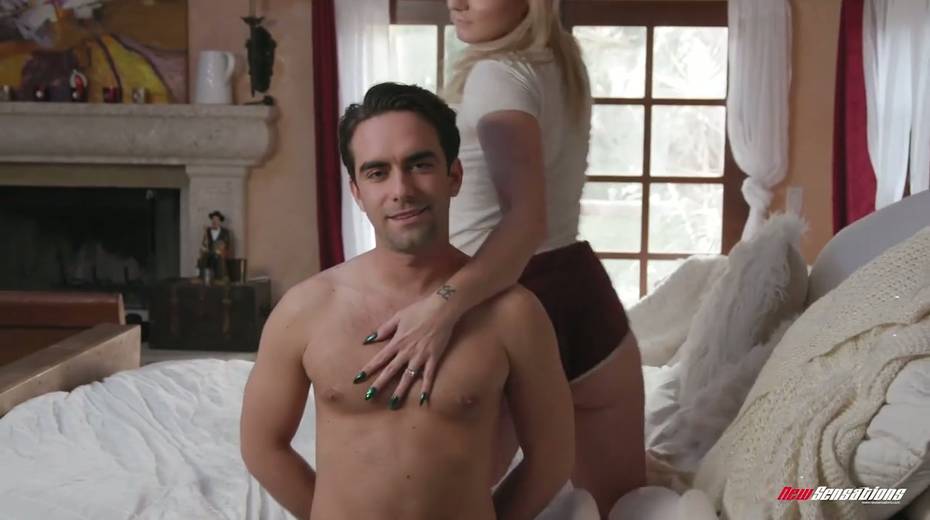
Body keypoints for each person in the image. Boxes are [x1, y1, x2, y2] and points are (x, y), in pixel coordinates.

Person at [353, 0, 646, 514]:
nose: (457, 2)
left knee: (428, 507)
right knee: (625, 508)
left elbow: (526, 220)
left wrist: (438, 308)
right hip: (582, 301)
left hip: (500, 305)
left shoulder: (497, 75)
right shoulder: (561, 63)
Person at [240, 83, 574, 520]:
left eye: (419, 164)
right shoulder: (305, 310)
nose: (401, 189)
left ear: (454, 176)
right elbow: (261, 445)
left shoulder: (514, 314)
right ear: (357, 192)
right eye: (377, 172)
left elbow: (552, 457)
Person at [197, 210, 232, 280]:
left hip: (220, 255)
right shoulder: (208, 231)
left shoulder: (225, 232)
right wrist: (203, 247)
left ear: (220, 221)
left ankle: (220, 278)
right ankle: (203, 278)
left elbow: (226, 245)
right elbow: (204, 244)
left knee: (219, 258)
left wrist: (221, 250)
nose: (214, 221)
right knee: (203, 257)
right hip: (209, 255)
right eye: (213, 219)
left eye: (216, 219)